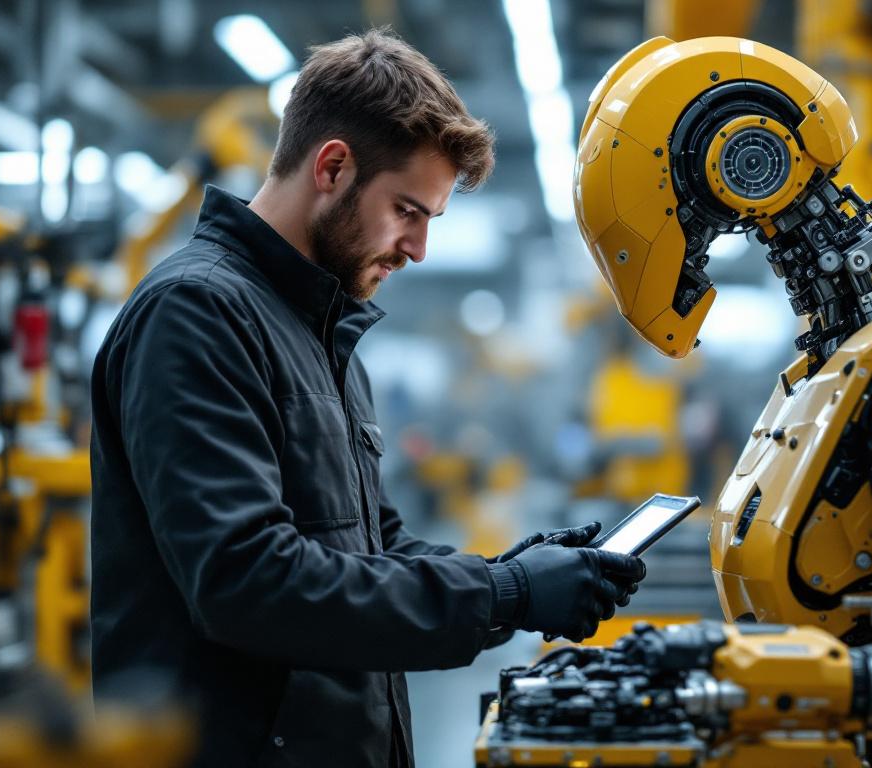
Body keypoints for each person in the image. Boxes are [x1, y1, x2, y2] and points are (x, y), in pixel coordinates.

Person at [88, 28, 646, 768]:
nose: (418, 249)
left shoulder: (325, 334)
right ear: (333, 166)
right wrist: (504, 593)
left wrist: (508, 573)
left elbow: (372, 549)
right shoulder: (195, 314)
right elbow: (247, 581)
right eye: (408, 211)